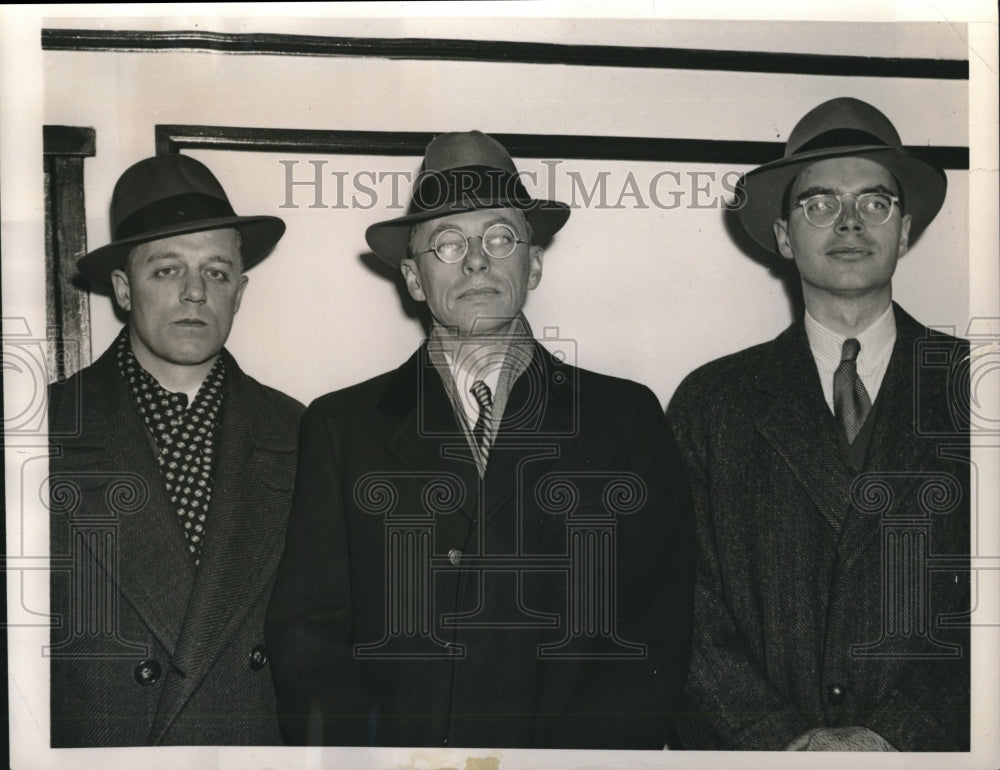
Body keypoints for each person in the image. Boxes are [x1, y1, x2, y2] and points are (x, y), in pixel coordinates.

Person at [266, 131, 695, 749]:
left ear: (534, 264)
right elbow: (310, 644)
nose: (475, 261)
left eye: (499, 238)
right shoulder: (341, 429)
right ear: (414, 278)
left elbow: (651, 637)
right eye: (447, 242)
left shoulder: (625, 421)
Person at [667, 97, 970, 751]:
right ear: (784, 236)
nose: (850, 222)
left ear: (905, 231)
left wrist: (894, 737)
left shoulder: (978, 390)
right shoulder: (711, 404)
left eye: (875, 202)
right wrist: (781, 742)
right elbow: (681, 605)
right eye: (820, 203)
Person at [48, 154, 304, 746]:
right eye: (166, 270)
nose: (194, 292)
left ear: (239, 292)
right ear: (123, 288)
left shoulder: (300, 433)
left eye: (216, 272)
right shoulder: (39, 432)